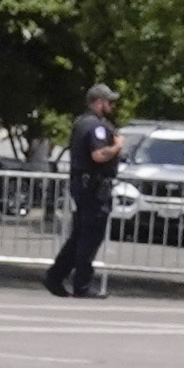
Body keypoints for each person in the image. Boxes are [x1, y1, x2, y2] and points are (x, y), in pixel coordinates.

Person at [44, 84, 123, 298]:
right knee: (90, 236)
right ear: (99, 102)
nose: (112, 106)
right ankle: (82, 284)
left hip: (86, 186)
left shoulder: (83, 122)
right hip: (93, 188)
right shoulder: (95, 126)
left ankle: (56, 276)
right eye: (109, 102)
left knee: (79, 235)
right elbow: (99, 155)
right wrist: (117, 146)